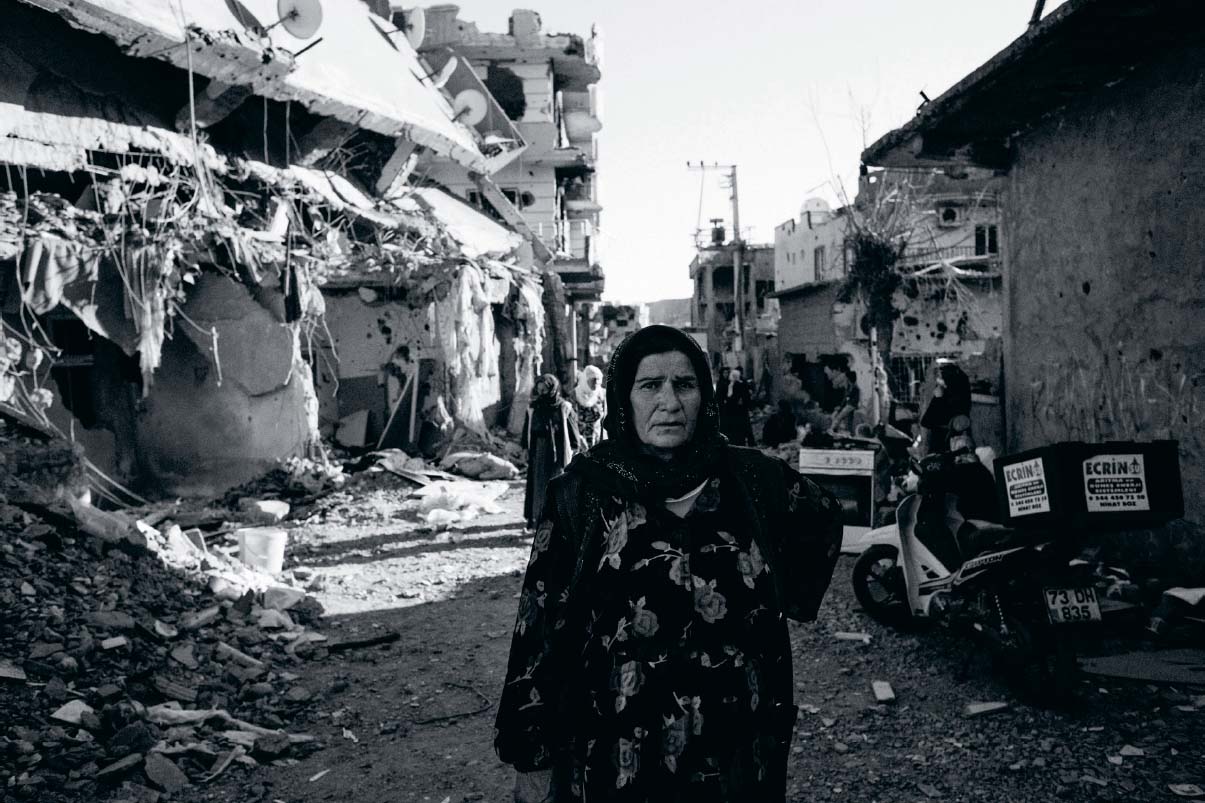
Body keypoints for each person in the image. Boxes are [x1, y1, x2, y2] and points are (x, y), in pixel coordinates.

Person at [495, 325, 843, 803]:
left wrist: (790, 595)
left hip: (737, 746)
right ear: (624, 397)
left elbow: (823, 518)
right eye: (650, 386)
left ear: (704, 394)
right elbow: (538, 625)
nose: (670, 401)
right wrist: (531, 752)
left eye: (684, 384)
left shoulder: (754, 479)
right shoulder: (584, 492)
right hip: (617, 748)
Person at [523, 374, 581, 531]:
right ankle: (539, 522)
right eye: (539, 389)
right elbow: (526, 431)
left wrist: (575, 448)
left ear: (552, 388)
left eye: (545, 389)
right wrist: (525, 449)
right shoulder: (533, 407)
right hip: (539, 451)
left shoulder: (564, 407)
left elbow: (572, 430)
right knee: (539, 487)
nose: (542, 392)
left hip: (559, 453)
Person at [718, 367, 755, 446]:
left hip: (737, 410)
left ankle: (741, 442)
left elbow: (731, 397)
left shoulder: (734, 384)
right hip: (735, 410)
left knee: (740, 427)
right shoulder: (730, 384)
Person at [573, 364, 607, 448]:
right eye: (593, 380)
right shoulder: (575, 395)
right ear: (585, 379)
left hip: (598, 440)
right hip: (579, 441)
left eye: (598, 379)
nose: (596, 383)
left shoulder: (602, 394)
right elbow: (571, 421)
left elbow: (606, 419)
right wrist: (579, 438)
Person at [824, 364, 860, 434]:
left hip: (852, 405)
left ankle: (831, 429)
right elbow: (844, 401)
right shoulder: (848, 389)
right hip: (850, 404)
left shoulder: (854, 389)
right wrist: (837, 410)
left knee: (839, 417)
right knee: (837, 415)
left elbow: (847, 403)